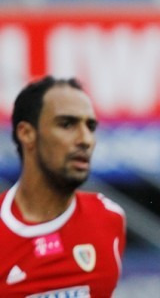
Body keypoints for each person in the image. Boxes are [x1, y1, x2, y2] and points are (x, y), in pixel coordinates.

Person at [0, 76, 126, 298]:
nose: (85, 139)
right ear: (26, 133)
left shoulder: (109, 218)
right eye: (67, 124)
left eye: (90, 126)